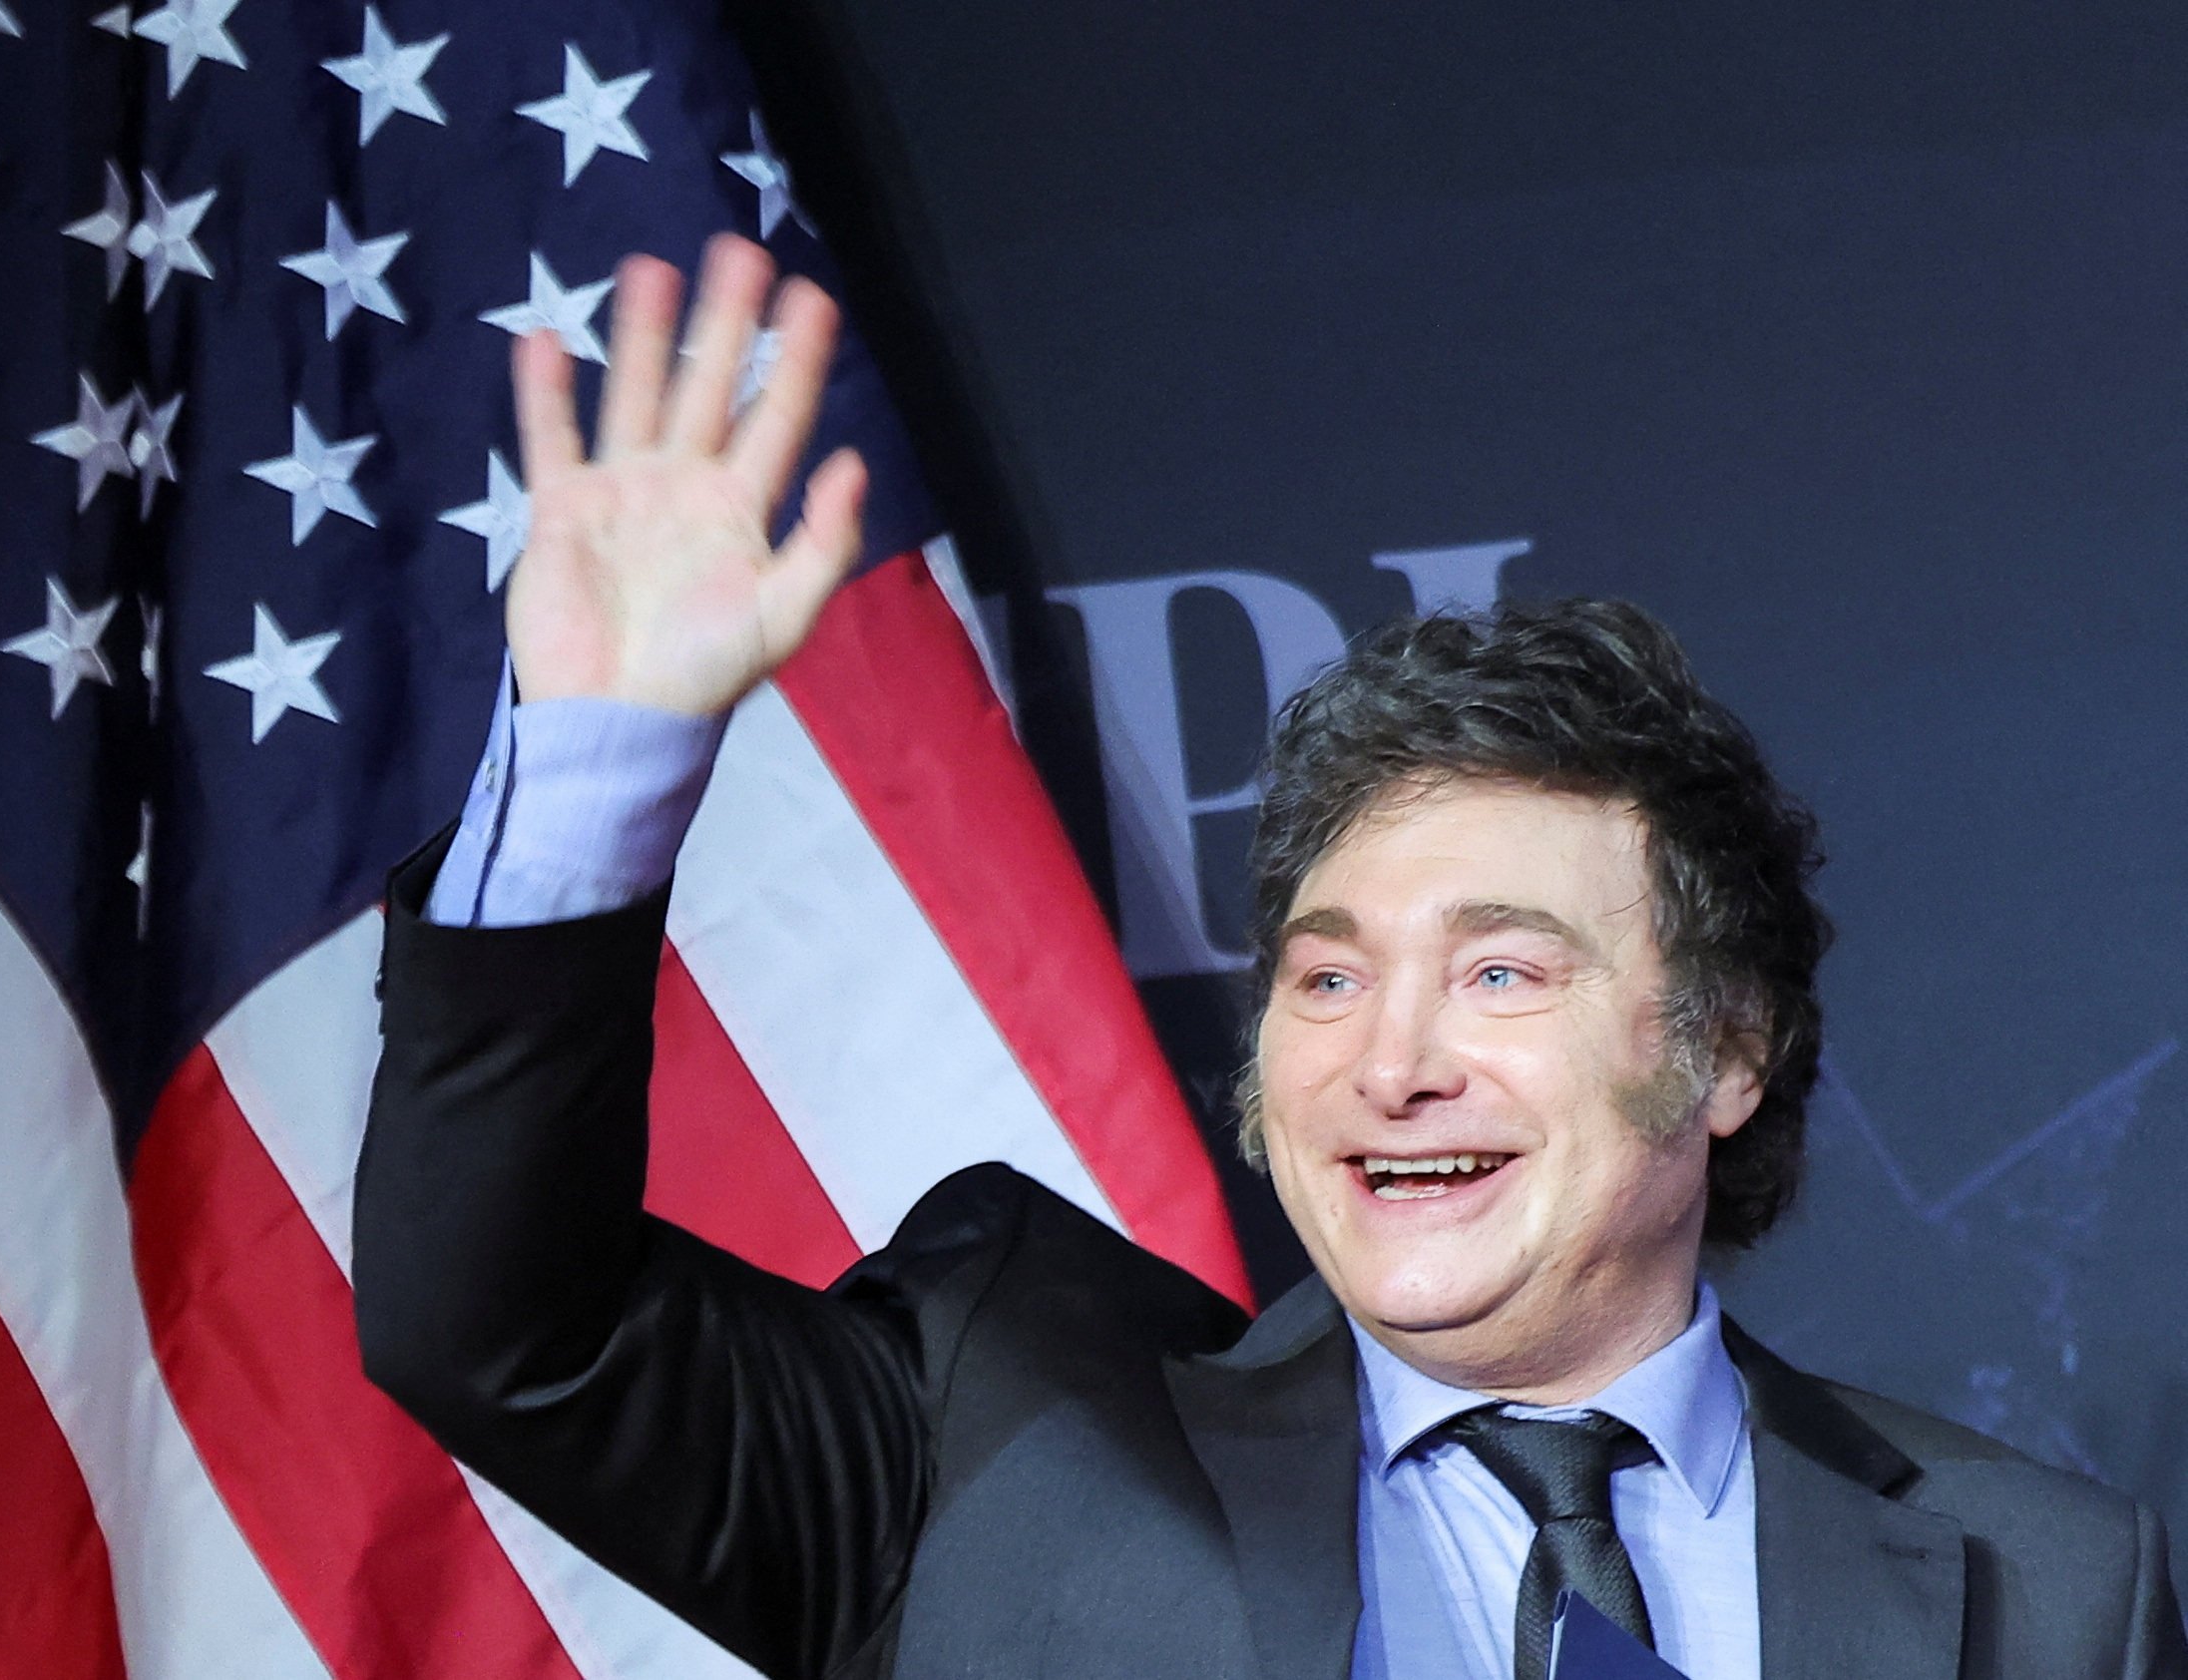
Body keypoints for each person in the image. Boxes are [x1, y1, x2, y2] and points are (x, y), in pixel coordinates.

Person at [352, 233, 2188, 1680]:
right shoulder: (1001, 1433)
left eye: (1501, 974)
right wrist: (596, 767)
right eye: (1326, 977)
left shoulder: (2045, 1587)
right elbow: (501, 1328)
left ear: (1722, 1050)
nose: (1388, 1064)